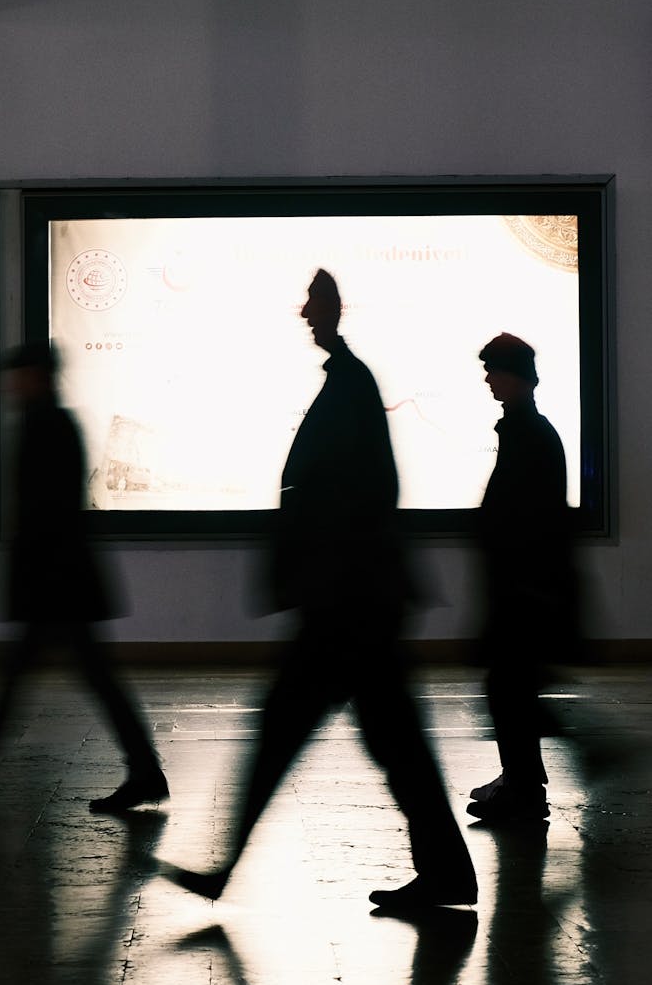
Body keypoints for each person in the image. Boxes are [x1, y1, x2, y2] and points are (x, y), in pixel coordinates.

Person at [165, 269, 477, 912]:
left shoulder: (350, 386)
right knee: (391, 746)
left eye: (313, 303)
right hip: (356, 602)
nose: (304, 313)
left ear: (333, 309)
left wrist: (317, 572)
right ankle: (446, 873)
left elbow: (352, 495)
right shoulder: (348, 384)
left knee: (293, 733)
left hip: (347, 606)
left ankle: (226, 870)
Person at [0, 340, 168, 814]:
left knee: (40, 680)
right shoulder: (52, 423)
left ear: (36, 375)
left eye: (18, 376)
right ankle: (143, 772)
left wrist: (31, 581)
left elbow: (47, 516)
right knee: (78, 680)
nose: (11, 385)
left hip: (56, 587)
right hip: (61, 584)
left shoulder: (48, 426)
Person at [467, 332, 575, 823]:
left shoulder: (530, 435)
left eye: (494, 370)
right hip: (522, 584)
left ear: (517, 376)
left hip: (522, 587)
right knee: (511, 688)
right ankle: (521, 780)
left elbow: (533, 521)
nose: (488, 379)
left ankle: (524, 787)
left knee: (510, 689)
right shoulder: (526, 431)